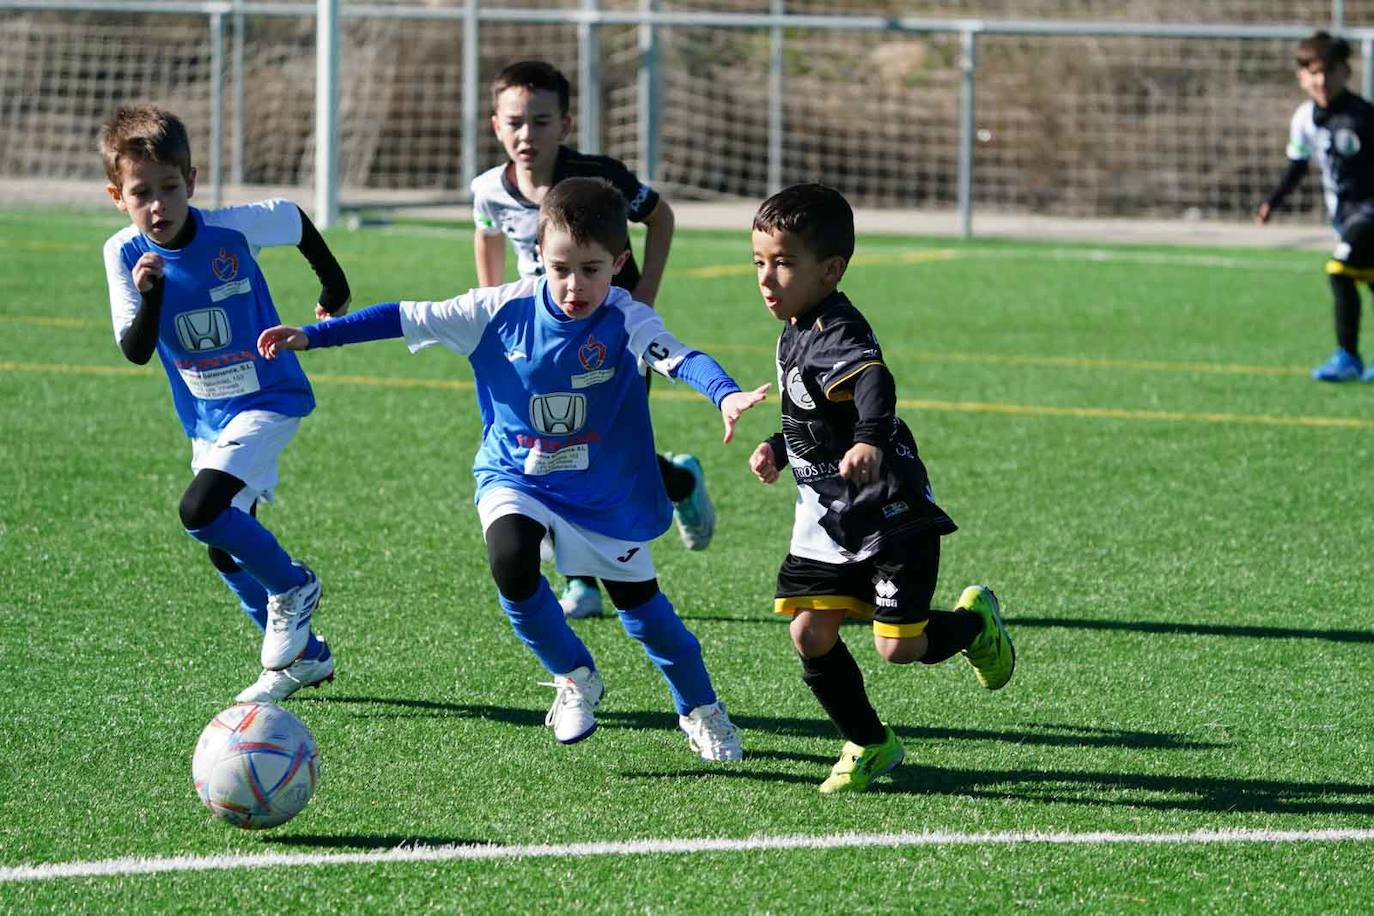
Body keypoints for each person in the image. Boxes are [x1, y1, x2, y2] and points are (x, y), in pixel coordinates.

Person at [259, 177, 765, 760]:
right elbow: (403, 317)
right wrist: (313, 336)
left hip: (602, 490)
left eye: (593, 269)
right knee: (511, 563)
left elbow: (677, 357)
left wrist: (723, 393)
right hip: (515, 474)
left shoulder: (625, 318)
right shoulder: (497, 309)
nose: (575, 285)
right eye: (560, 268)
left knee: (647, 618)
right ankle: (574, 675)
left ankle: (701, 710)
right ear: (539, 257)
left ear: (620, 263)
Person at [747, 184, 1016, 794]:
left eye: (783, 263)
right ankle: (871, 743)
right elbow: (811, 409)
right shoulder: (795, 326)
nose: (767, 277)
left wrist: (868, 438)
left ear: (831, 269)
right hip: (829, 513)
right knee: (809, 633)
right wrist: (779, 447)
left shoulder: (837, 328)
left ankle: (974, 626)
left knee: (899, 647)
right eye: (760, 262)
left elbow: (872, 381)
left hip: (887, 510)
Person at [100, 105, 350, 702]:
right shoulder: (122, 255)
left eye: (169, 187)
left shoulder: (231, 229)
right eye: (142, 193)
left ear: (191, 180)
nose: (158, 205)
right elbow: (136, 349)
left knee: (199, 509)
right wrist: (151, 293)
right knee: (224, 547)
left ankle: (294, 588)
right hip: (207, 418)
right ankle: (304, 658)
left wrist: (333, 285)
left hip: (270, 396)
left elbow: (292, 218)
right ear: (118, 196)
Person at [471, 59, 710, 621]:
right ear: (495, 125)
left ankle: (676, 481)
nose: (527, 134)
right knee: (554, 447)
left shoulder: (600, 181)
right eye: (515, 122)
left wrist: (646, 289)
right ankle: (581, 582)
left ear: (566, 124)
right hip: (540, 345)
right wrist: (494, 320)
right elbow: (486, 245)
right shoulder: (487, 189)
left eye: (542, 121)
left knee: (600, 444)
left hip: (610, 339)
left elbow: (662, 216)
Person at [1258, 30, 1374, 382]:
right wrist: (1272, 201)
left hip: (1369, 212)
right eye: (1313, 72)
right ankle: (1350, 357)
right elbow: (1297, 166)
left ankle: (1347, 357)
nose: (1321, 80)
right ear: (1302, 76)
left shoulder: (1364, 117)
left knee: (1339, 271)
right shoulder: (1304, 119)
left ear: (1345, 73)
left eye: (1329, 71)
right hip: (1343, 214)